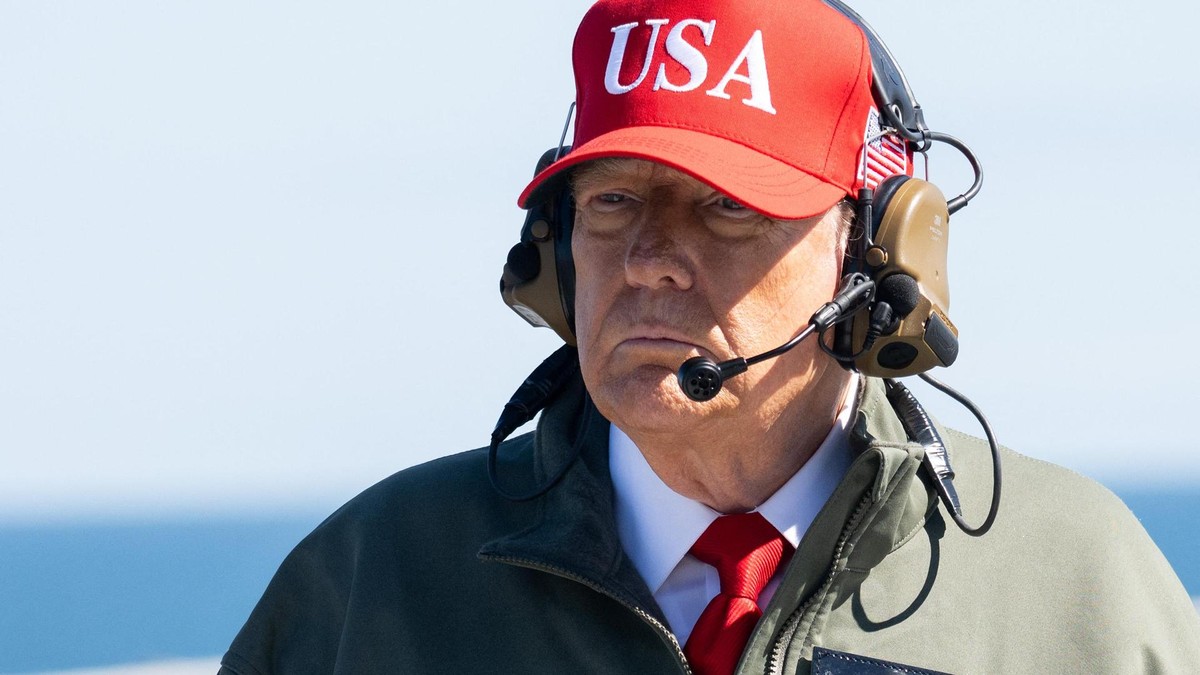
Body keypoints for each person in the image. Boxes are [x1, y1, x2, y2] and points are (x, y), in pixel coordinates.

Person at [220, 1, 1200, 673]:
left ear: (877, 254)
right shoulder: (373, 578)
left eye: (727, 208)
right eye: (610, 203)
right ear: (555, 250)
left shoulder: (1077, 583)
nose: (649, 258)